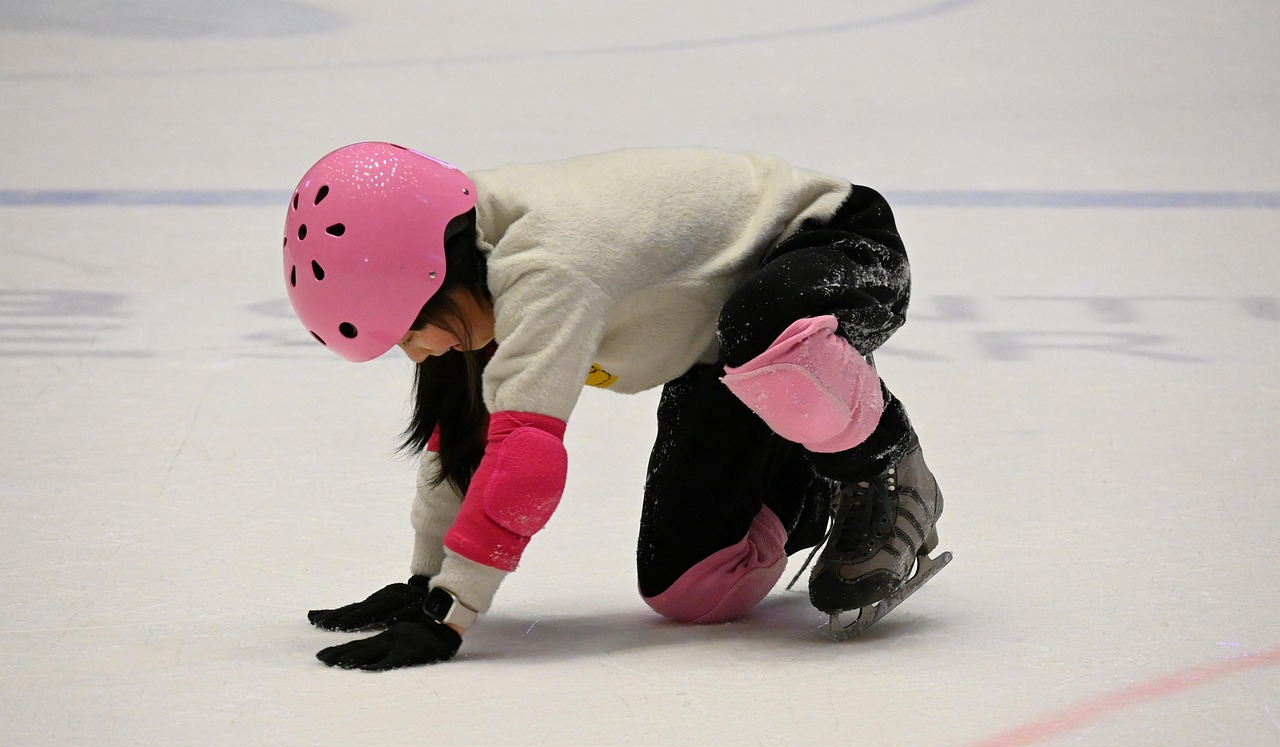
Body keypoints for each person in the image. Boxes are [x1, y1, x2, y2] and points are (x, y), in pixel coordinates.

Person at [283, 142, 950, 670]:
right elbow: (463, 436)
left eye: (407, 331)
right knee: (693, 589)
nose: (416, 353)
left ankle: (885, 466)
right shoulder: (457, 248)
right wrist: (424, 578)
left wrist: (448, 612)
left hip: (844, 248)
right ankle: (809, 466)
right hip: (721, 346)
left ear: (431, 276)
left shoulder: (545, 265)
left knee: (763, 328)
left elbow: (523, 466)